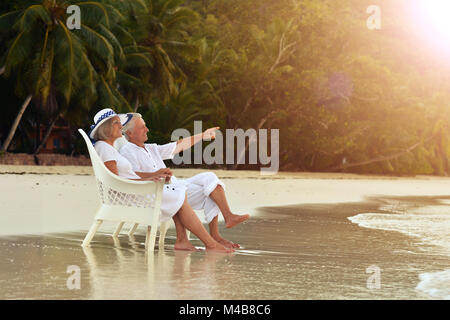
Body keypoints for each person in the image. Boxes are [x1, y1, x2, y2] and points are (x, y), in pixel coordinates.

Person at [88, 108, 233, 253]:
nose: (121, 126)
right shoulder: (107, 148)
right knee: (178, 193)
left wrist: (153, 176)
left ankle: (203, 239)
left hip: (137, 190)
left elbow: (178, 146)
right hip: (130, 196)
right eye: (116, 123)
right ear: (106, 128)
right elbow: (116, 181)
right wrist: (152, 177)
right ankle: (209, 244)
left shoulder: (110, 148)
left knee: (195, 186)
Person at [119, 113, 249, 250]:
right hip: (156, 192)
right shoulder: (127, 151)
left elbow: (178, 146)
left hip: (174, 185)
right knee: (182, 191)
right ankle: (205, 242)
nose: (147, 129)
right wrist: (156, 174)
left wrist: (203, 135)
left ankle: (226, 219)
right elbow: (131, 175)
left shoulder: (151, 148)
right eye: (142, 127)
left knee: (210, 179)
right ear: (130, 133)